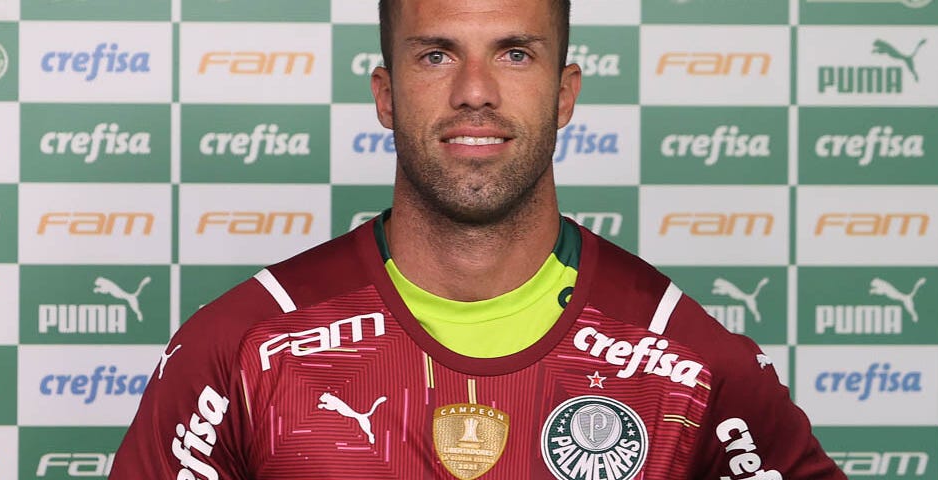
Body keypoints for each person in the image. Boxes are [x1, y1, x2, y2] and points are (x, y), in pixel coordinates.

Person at [110, 0, 845, 478]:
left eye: (514, 54)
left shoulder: (685, 358)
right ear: (386, 95)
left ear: (565, 94)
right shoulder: (241, 347)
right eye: (436, 54)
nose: (475, 91)